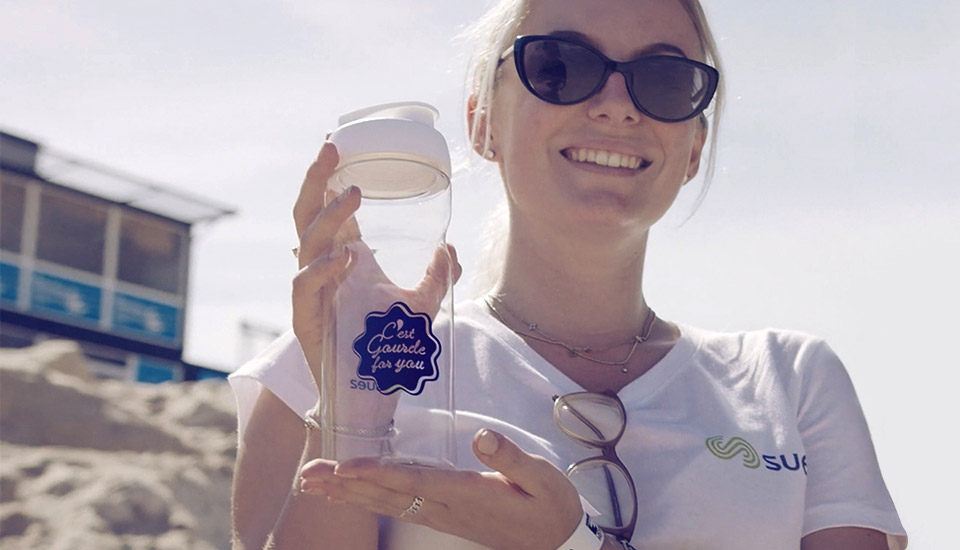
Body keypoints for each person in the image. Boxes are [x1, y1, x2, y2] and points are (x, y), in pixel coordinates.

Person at [229, 0, 908, 548]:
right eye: (560, 66)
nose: (617, 105)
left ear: (695, 146)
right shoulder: (335, 358)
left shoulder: (791, 382)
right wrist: (355, 415)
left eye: (665, 81)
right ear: (482, 122)